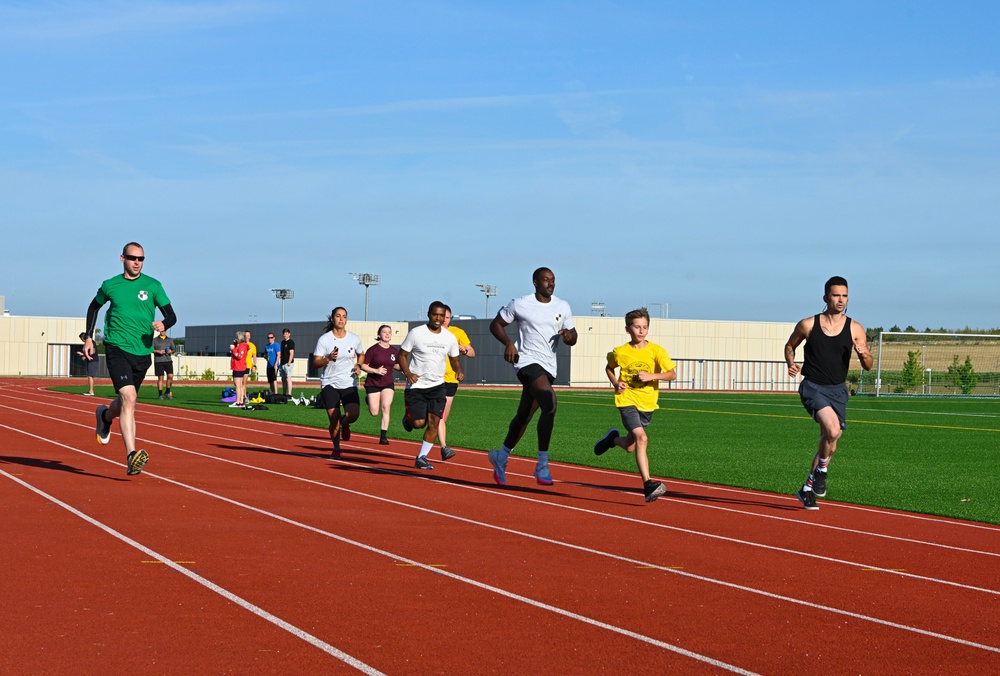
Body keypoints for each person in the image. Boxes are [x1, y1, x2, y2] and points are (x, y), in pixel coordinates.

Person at [84, 242, 176, 476]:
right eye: (133, 258)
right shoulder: (110, 285)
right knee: (129, 396)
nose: (137, 262)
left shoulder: (153, 285)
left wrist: (164, 324)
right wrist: (88, 338)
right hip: (117, 347)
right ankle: (131, 455)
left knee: (126, 402)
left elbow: (172, 315)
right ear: (122, 258)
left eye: (141, 258)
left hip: (142, 352)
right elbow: (93, 308)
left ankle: (104, 416)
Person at [785, 276, 873, 510]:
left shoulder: (855, 328)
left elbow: (868, 365)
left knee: (830, 441)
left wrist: (864, 354)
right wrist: (790, 363)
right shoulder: (808, 324)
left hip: (838, 391)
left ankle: (807, 488)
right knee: (832, 430)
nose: (841, 300)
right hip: (813, 387)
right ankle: (822, 471)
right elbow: (790, 346)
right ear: (826, 297)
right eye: (836, 295)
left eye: (844, 295)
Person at [487, 267, 577, 487]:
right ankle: (542, 464)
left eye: (553, 280)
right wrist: (509, 343)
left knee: (524, 416)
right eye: (546, 280)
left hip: (549, 367)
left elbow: (573, 337)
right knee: (550, 403)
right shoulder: (520, 303)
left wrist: (568, 335)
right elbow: (495, 324)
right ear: (535, 282)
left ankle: (501, 456)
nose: (550, 284)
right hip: (526, 361)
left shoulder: (562, 306)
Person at [593, 308, 678, 503]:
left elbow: (672, 374)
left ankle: (612, 440)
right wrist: (615, 383)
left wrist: (653, 376)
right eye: (637, 327)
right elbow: (609, 367)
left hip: (647, 404)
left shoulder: (656, 350)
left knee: (631, 446)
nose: (641, 331)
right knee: (642, 438)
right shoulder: (620, 352)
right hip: (627, 400)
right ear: (627, 329)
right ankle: (648, 485)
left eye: (645, 327)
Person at [398, 301, 463, 470]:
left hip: (438, 386)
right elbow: (402, 355)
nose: (438, 318)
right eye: (435, 314)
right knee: (419, 423)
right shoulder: (416, 333)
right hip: (417, 385)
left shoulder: (449, 337)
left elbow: (454, 359)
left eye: (442, 315)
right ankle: (409, 418)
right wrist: (408, 373)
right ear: (429, 314)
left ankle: (422, 457)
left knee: (434, 422)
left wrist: (459, 370)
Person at [312, 307, 366, 458]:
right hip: (330, 383)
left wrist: (359, 365)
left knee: (353, 414)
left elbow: (361, 354)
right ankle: (336, 447)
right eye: (338, 316)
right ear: (332, 319)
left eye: (344, 316)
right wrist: (328, 358)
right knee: (333, 420)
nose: (341, 319)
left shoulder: (354, 338)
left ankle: (346, 421)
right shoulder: (325, 339)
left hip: (348, 382)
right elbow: (316, 362)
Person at [436, 306, 475, 460]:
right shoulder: (430, 333)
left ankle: (434, 446)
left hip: (451, 379)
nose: (444, 320)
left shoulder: (457, 333)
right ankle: (444, 448)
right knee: (438, 416)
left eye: (447, 317)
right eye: (442, 316)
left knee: (442, 418)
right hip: (434, 379)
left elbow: (472, 352)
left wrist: (464, 350)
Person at [364, 324, 400, 445]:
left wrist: (406, 368)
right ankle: (369, 400)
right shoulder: (373, 350)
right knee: (374, 412)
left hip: (387, 383)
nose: (387, 334)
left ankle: (383, 436)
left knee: (386, 407)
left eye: (389, 332)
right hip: (373, 382)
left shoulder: (394, 351)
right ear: (379, 335)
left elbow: (396, 365)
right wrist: (375, 370)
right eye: (384, 332)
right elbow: (363, 365)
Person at [152, 329, 175, 399]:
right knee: (160, 378)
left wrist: (170, 351)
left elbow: (174, 349)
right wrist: (158, 351)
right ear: (159, 331)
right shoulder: (155, 340)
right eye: (162, 331)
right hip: (158, 361)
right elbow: (150, 349)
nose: (163, 332)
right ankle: (160, 395)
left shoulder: (170, 340)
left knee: (170, 376)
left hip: (168, 360)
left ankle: (167, 392)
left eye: (164, 331)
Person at [229, 331, 250, 408]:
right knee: (240, 385)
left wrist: (233, 349)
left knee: (238, 386)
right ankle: (241, 401)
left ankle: (238, 402)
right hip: (240, 367)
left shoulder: (242, 346)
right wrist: (235, 346)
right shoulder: (242, 346)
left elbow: (239, 356)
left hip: (238, 367)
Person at [279, 328, 295, 396]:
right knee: (283, 379)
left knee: (288, 378)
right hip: (282, 363)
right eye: (284, 334)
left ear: (289, 334)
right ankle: (284, 393)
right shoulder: (282, 342)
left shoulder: (291, 342)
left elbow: (291, 353)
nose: (285, 335)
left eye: (286, 334)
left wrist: (289, 362)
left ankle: (289, 394)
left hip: (288, 363)